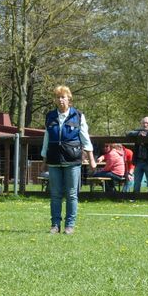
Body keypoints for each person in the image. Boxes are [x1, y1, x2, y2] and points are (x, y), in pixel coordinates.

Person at [41, 85, 96, 235]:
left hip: (73, 160)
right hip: (54, 160)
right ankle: (55, 225)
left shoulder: (78, 115)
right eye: (58, 97)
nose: (60, 100)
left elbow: (85, 138)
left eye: (63, 97)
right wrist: (44, 159)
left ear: (69, 99)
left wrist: (91, 159)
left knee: (72, 194)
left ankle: (69, 225)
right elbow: (46, 138)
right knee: (55, 194)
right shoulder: (50, 116)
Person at [127, 116, 148, 192]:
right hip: (138, 161)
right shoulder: (138, 132)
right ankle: (136, 196)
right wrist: (139, 133)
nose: (145, 125)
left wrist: (147, 133)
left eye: (147, 123)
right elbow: (128, 133)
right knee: (137, 182)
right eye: (143, 123)